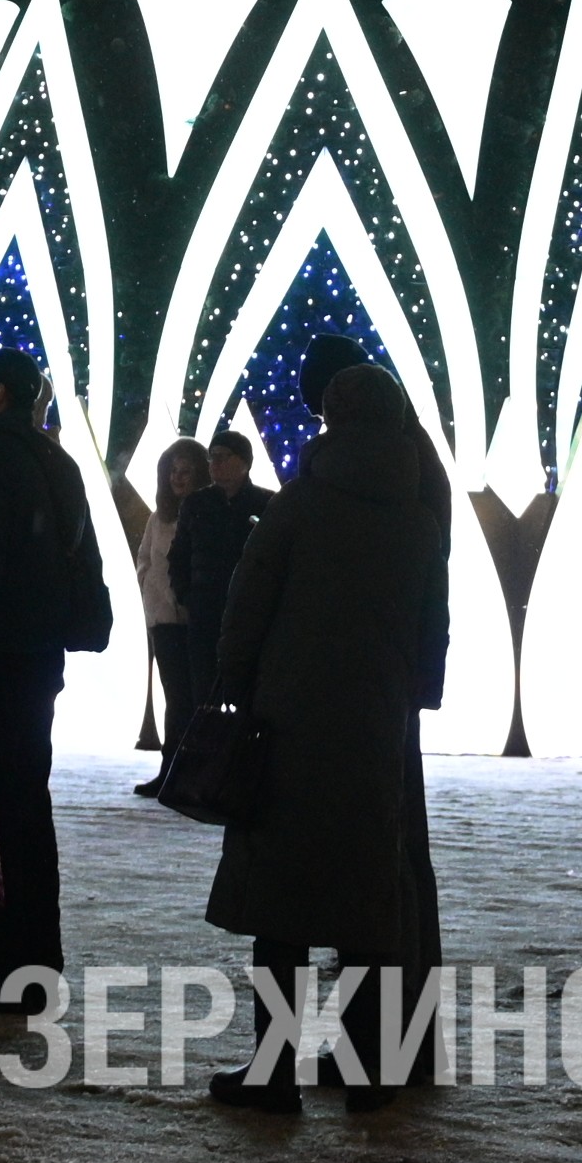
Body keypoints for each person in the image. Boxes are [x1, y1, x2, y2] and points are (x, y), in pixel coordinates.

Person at [207, 354, 449, 1114]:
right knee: (367, 902)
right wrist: (415, 694)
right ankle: (373, 1073)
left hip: (290, 719)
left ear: (333, 420)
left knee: (280, 905)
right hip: (375, 725)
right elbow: (432, 614)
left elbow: (249, 598)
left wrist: (232, 687)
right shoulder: (415, 508)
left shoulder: (301, 501)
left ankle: (271, 1070)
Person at [0, 344, 108, 995]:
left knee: (9, 806)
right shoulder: (51, 458)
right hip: (37, 654)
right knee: (18, 802)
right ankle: (6, 944)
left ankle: (18, 961)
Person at [135, 436, 212, 787]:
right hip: (165, 620)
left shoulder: (210, 514)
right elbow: (146, 559)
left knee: (197, 697)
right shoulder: (159, 519)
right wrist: (154, 595)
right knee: (175, 697)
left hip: (199, 621)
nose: (178, 478)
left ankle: (195, 772)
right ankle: (172, 771)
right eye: (173, 471)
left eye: (186, 471)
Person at [169, 428, 268, 641]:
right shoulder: (195, 504)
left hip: (250, 615)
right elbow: (179, 554)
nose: (215, 463)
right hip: (203, 614)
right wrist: (187, 597)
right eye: (212, 457)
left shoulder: (266, 504)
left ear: (245, 462)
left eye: (223, 456)